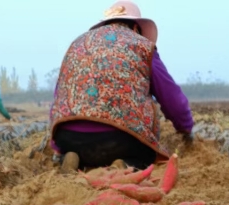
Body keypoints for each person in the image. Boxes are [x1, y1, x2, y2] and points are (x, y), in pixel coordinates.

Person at [50, 2, 194, 172]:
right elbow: (171, 99)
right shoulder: (143, 47)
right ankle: (125, 164)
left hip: (68, 137)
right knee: (147, 153)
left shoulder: (77, 44)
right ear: (135, 28)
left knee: (79, 148)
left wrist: (57, 145)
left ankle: (73, 157)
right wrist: (186, 127)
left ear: (105, 25)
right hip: (120, 139)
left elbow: (59, 96)